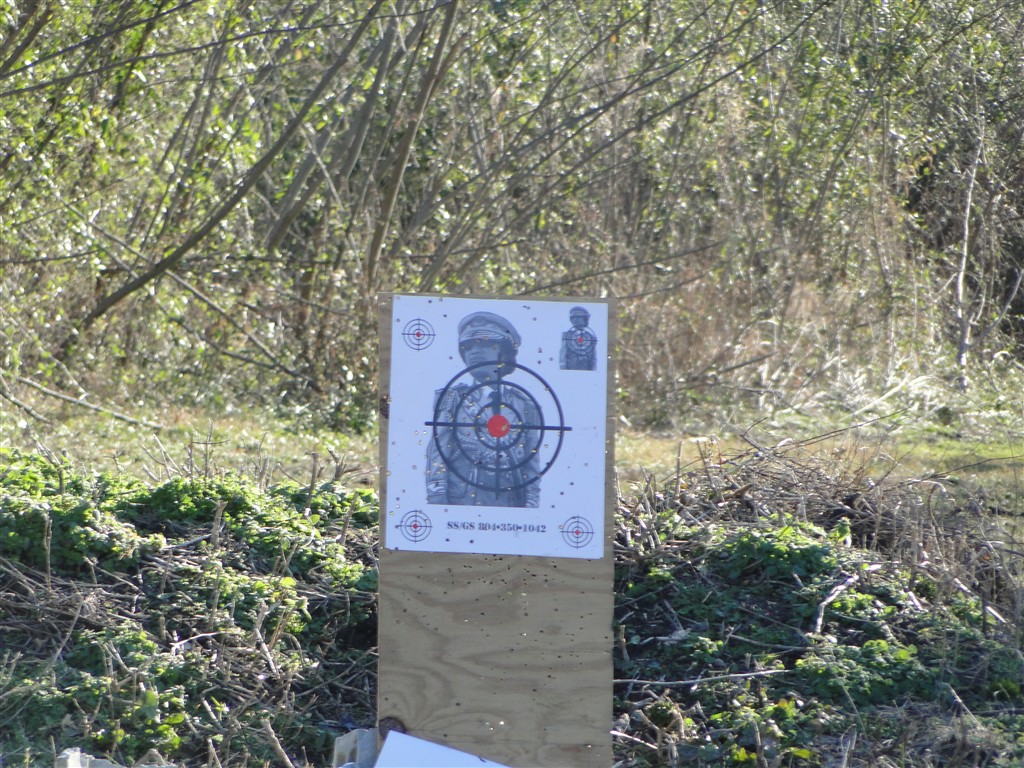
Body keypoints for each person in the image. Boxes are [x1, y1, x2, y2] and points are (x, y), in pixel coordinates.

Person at [426, 312, 541, 507]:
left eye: (484, 344)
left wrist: (531, 506)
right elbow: (438, 453)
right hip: (463, 505)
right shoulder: (452, 399)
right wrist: (438, 502)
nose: (474, 352)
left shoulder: (524, 405)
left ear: (504, 352)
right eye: (468, 347)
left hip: (511, 507)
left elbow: (531, 464)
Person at [559, 305, 597, 370]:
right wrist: (563, 371)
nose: (575, 320)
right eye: (573, 318)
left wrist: (593, 371)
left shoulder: (591, 337)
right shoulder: (567, 335)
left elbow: (593, 358)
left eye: (578, 318)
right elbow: (563, 356)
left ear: (585, 319)